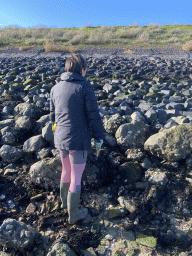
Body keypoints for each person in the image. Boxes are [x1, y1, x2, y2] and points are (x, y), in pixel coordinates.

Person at [50, 53, 105, 224]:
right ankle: (73, 214)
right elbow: (93, 116)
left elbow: (53, 117)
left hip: (60, 138)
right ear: (82, 70)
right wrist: (99, 136)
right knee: (76, 177)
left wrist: (56, 132)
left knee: (66, 171)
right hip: (78, 140)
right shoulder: (85, 87)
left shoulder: (55, 88)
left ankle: (64, 205)